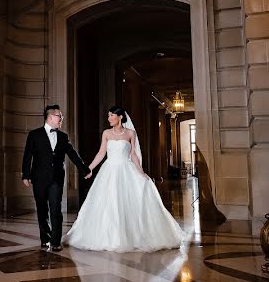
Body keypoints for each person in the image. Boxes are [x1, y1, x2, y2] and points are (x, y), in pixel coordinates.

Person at [64, 106, 187, 252]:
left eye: (111, 115)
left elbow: (134, 155)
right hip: (109, 170)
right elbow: (101, 153)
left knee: (128, 200)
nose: (109, 118)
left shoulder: (130, 133)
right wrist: (88, 168)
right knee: (109, 202)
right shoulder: (106, 133)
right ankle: (110, 236)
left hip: (126, 169)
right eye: (108, 116)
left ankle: (131, 236)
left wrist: (141, 172)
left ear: (120, 117)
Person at [22, 105, 91, 251]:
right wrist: (26, 175)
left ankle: (55, 241)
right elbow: (28, 156)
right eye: (60, 116)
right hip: (39, 178)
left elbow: (72, 154)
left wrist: (84, 169)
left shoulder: (63, 136)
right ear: (51, 117)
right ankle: (44, 238)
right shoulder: (34, 134)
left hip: (56, 178)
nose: (62, 119)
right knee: (42, 209)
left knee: (56, 209)